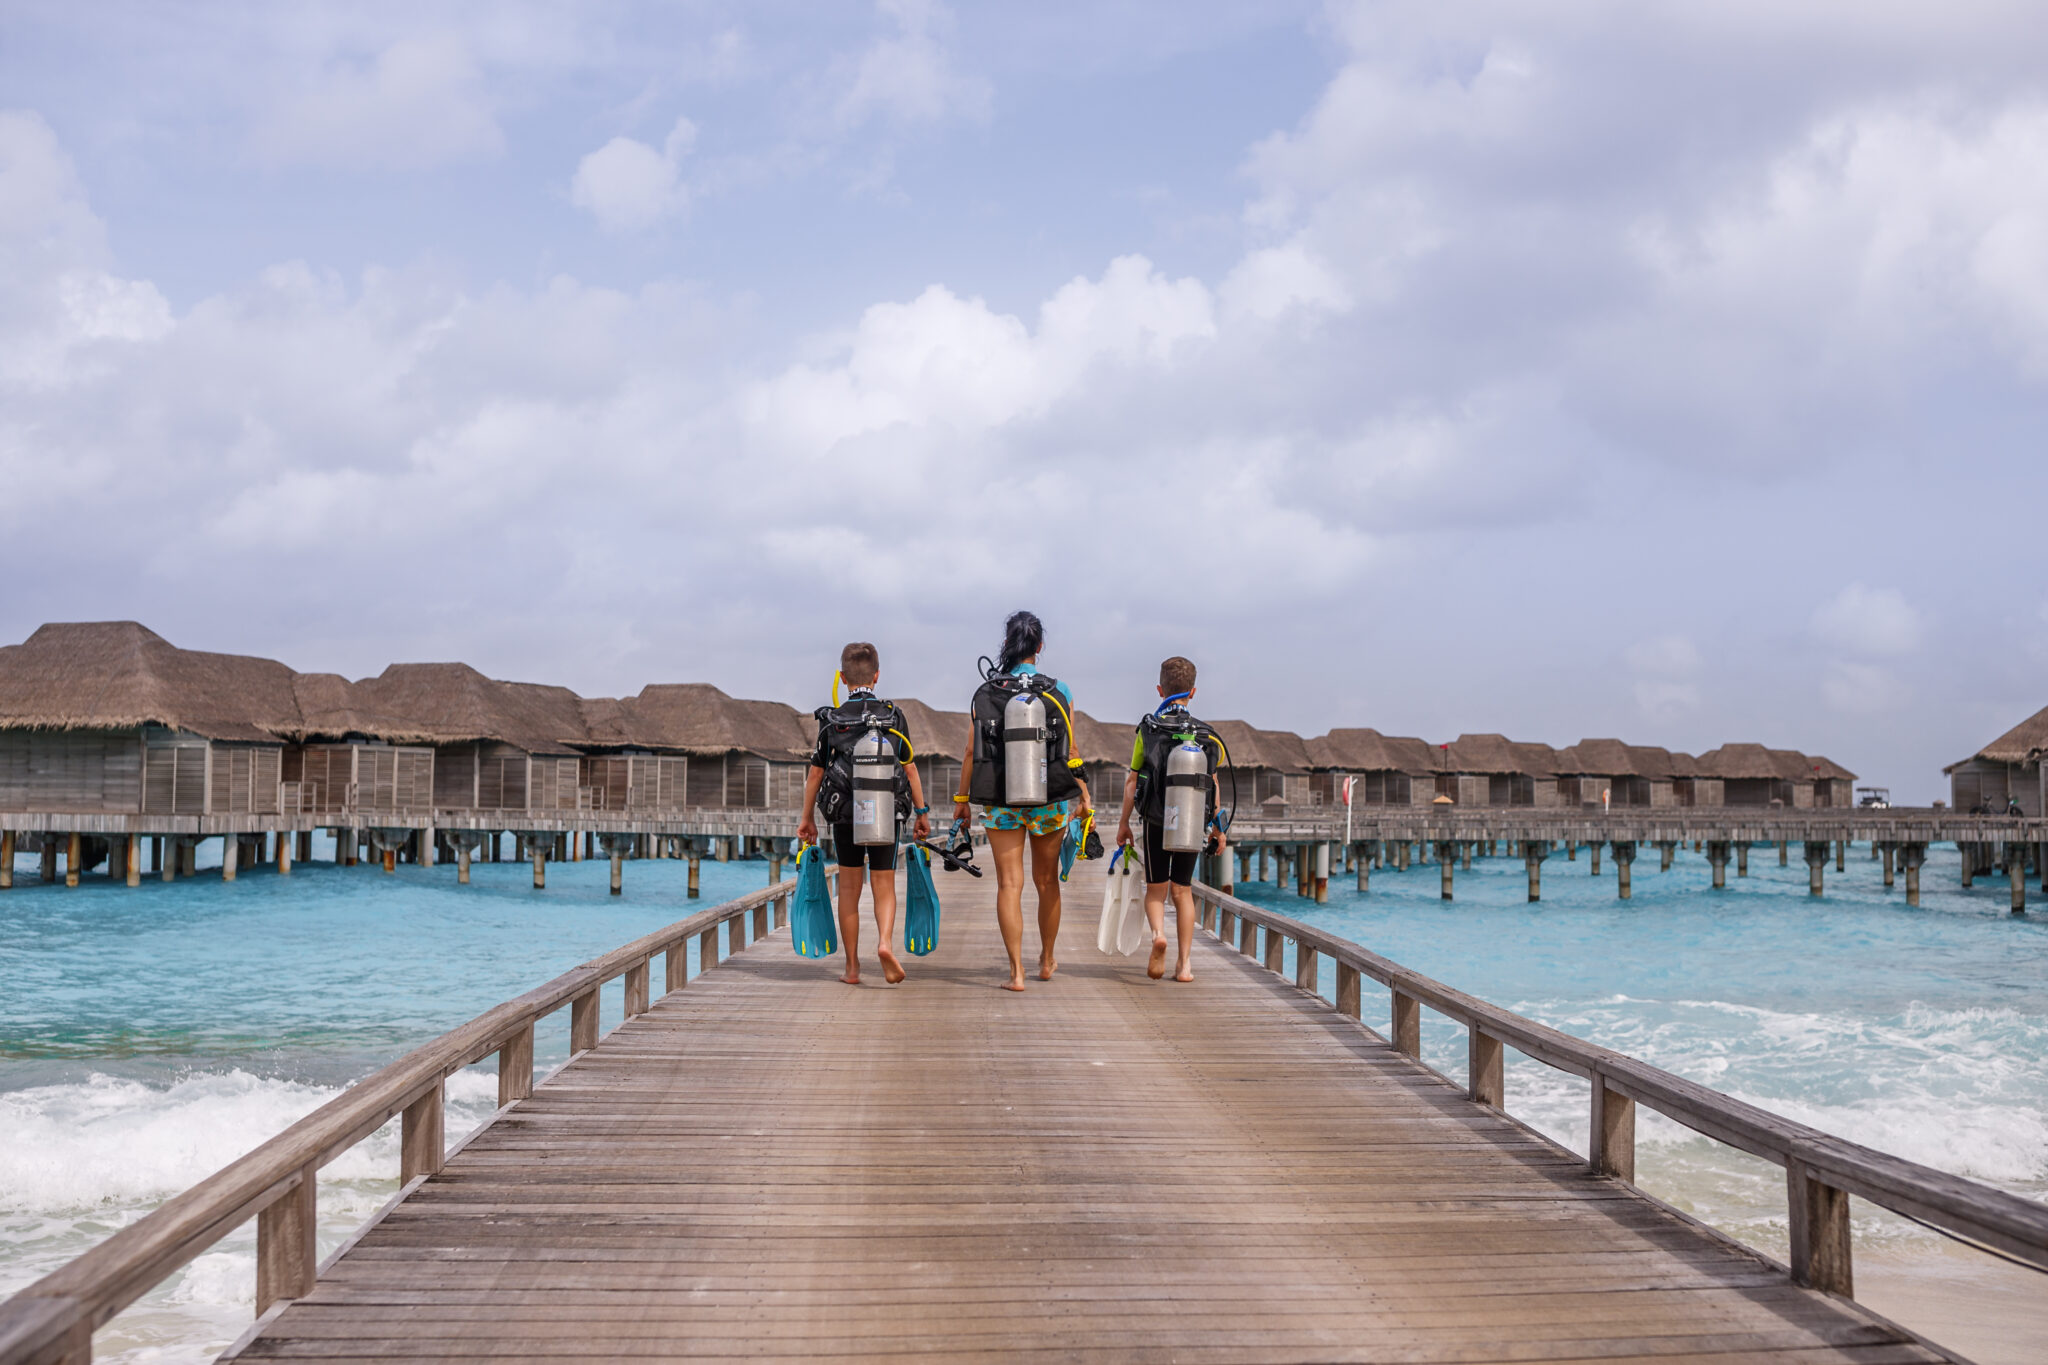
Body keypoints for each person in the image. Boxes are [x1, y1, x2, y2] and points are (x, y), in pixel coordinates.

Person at [952, 611, 1091, 992]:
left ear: (1007, 645)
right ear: (1039, 647)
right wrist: (1084, 795)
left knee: (1009, 885)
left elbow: (970, 751)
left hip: (1000, 800)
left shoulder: (988, 691)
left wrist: (962, 801)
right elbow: (1071, 750)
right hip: (1049, 798)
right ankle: (1046, 959)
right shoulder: (1059, 690)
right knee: (1047, 883)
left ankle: (1016, 972)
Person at [797, 642, 930, 986]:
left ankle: (852, 967)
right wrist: (921, 813)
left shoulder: (833, 720)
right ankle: (884, 943)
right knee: (884, 884)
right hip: (886, 811)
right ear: (877, 675)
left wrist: (807, 817)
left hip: (846, 814)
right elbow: (910, 769)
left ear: (842, 678)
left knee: (850, 888)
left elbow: (816, 773)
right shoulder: (893, 716)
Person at [1116, 656, 1226, 983]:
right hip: (1192, 822)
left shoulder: (1149, 730)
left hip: (1156, 820)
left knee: (1156, 890)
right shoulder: (1207, 736)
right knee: (1182, 890)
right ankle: (1185, 965)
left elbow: (1132, 782)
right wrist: (1218, 829)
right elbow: (1213, 783)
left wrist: (1123, 823)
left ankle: (1158, 936)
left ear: (1160, 689)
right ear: (1193, 692)